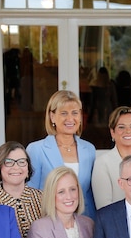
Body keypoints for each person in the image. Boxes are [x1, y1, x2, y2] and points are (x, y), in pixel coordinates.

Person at [27, 90, 97, 219]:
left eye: (75, 113)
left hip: (84, 222)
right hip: (50, 222)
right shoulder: (36, 149)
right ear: (52, 116)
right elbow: (31, 195)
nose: (70, 119)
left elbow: (89, 195)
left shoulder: (89, 149)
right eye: (64, 113)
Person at [92, 107, 131, 209]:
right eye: (121, 127)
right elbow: (104, 208)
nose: (128, 131)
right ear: (112, 132)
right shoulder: (102, 163)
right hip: (115, 223)